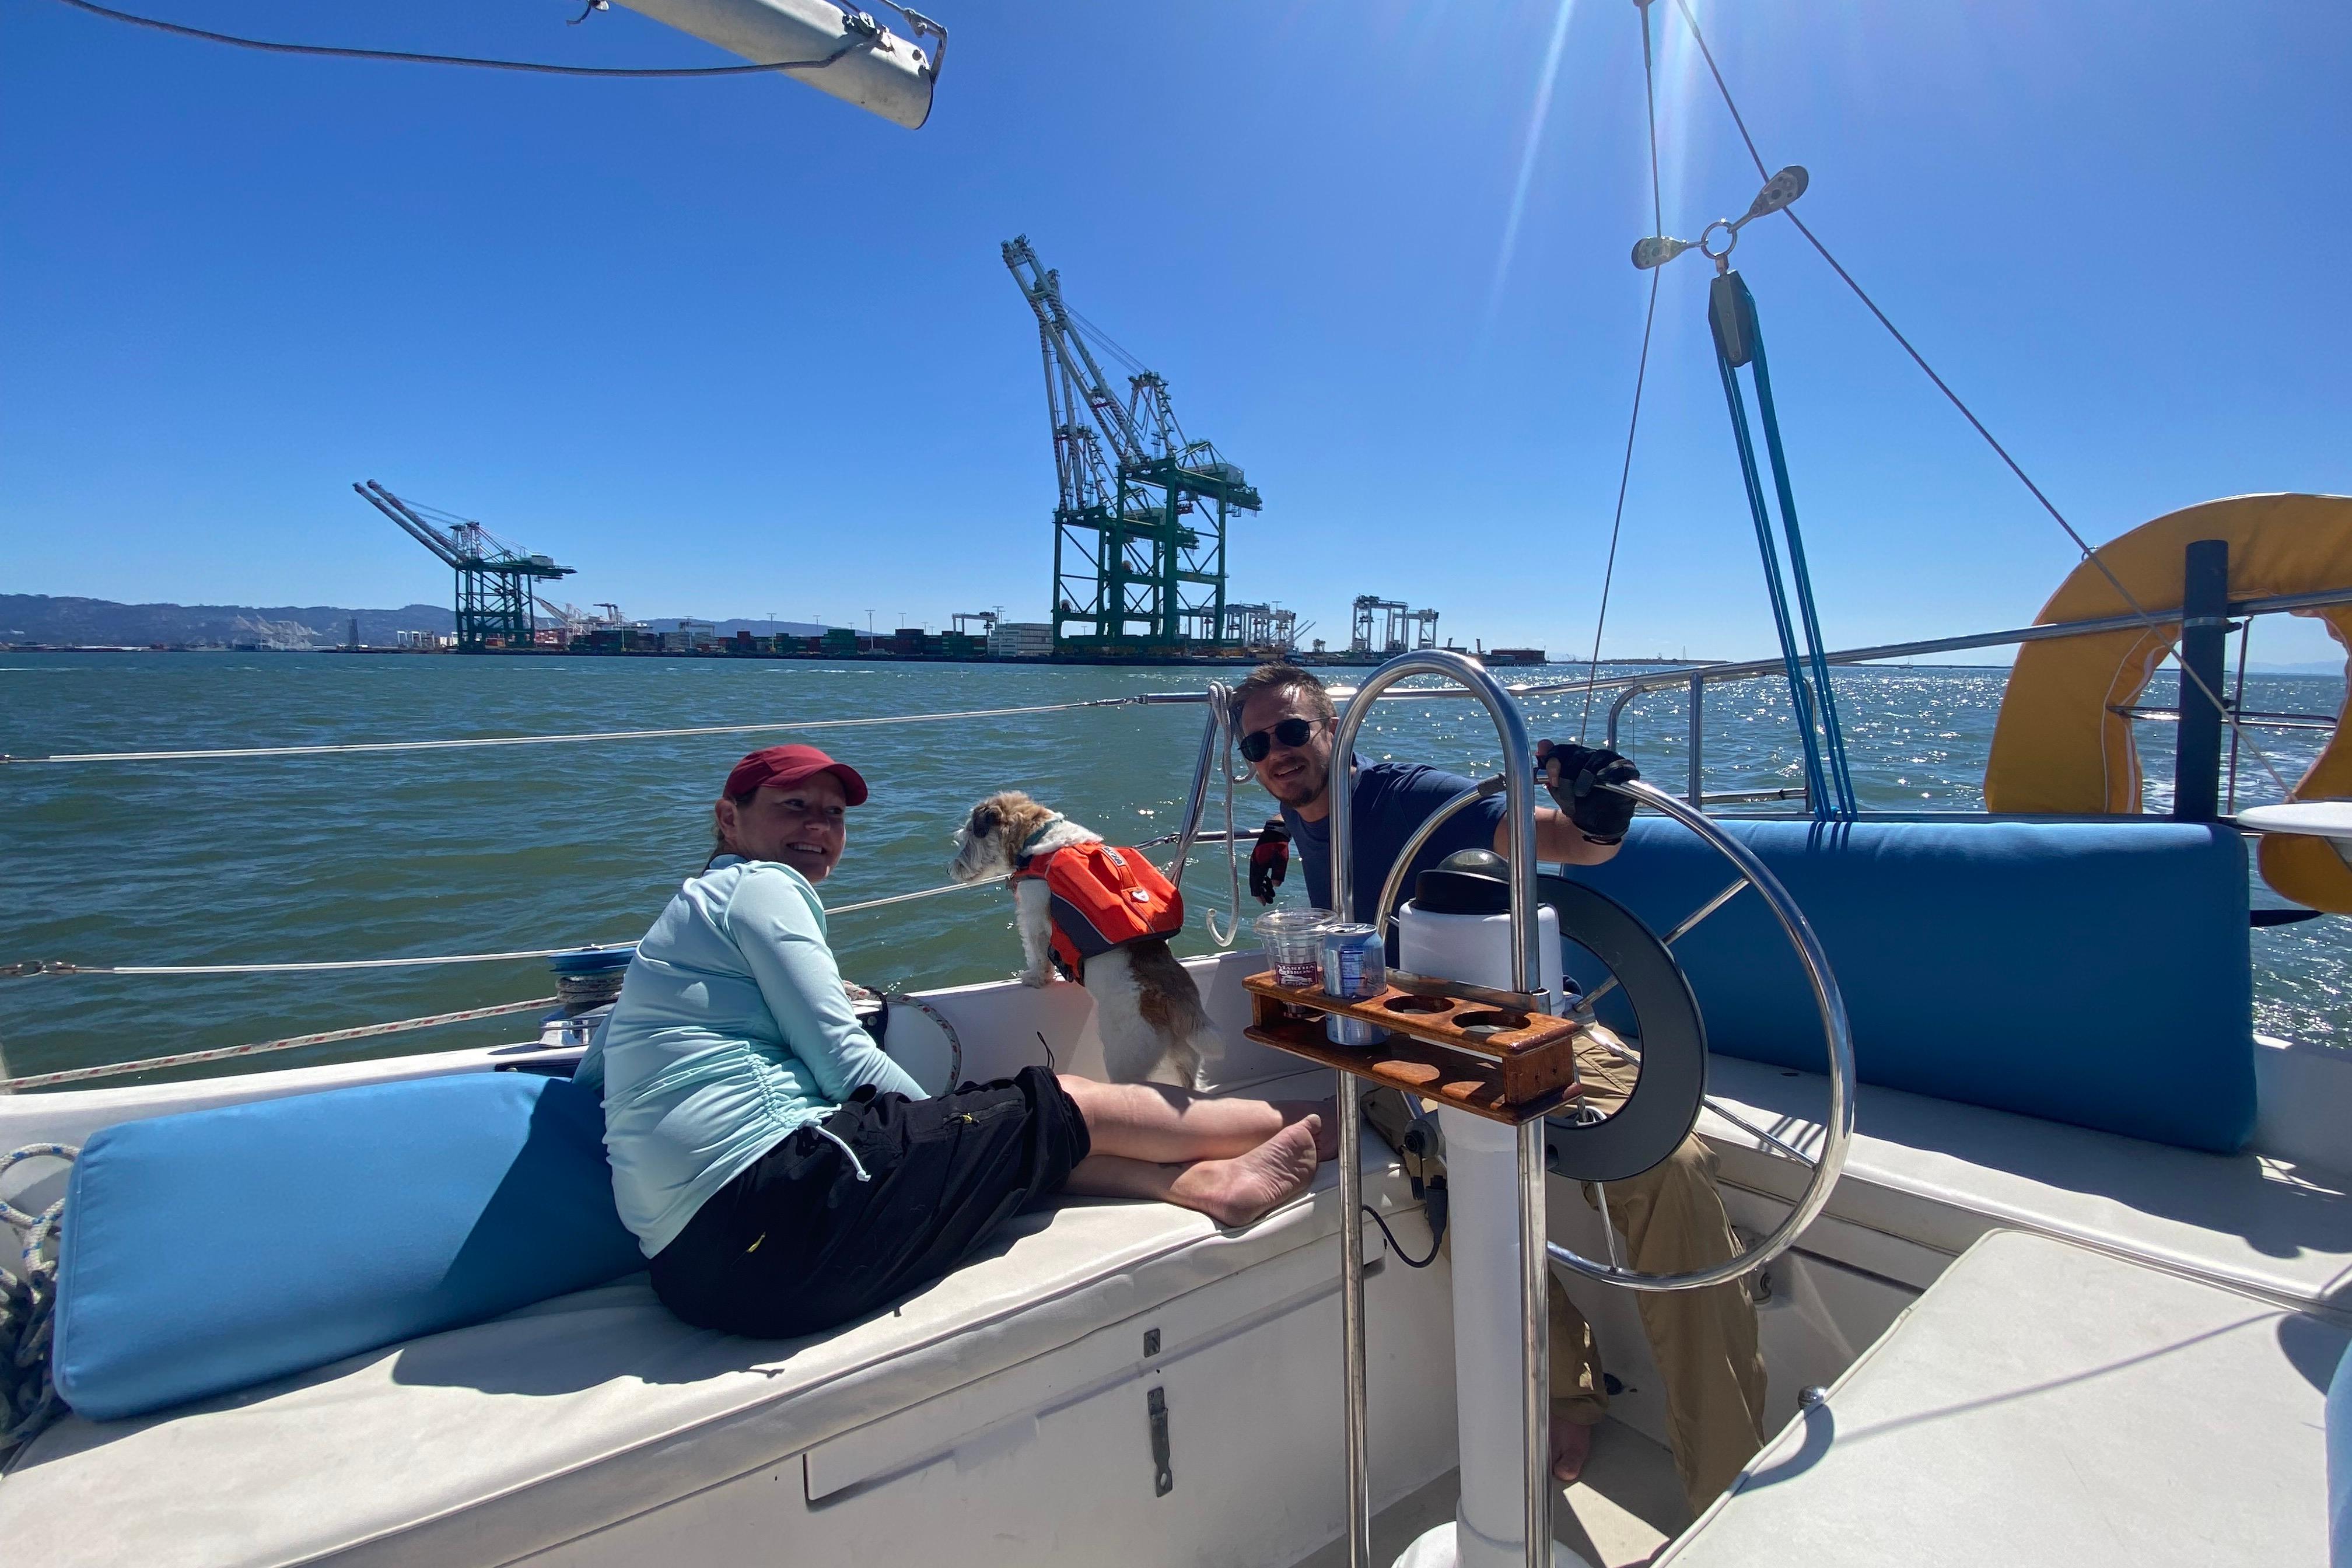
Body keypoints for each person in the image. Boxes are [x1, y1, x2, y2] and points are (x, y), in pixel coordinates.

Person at [1230, 662, 1766, 1516]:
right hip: (1403, 1045)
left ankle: (1732, 1487)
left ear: (1337, 728)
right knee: (1452, 1195)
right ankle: (1566, 1395)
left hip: (1519, 1021)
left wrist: (1598, 814)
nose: (1277, 753)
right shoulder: (1300, 824)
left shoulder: (1410, 797)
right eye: (1257, 744)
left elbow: (1559, 841)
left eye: (1293, 731)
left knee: (1670, 1168)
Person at [576, 742, 1331, 1341]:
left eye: (833, 815)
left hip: (695, 1270)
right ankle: (1333, 1120)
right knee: (1055, 1101)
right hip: (777, 1219)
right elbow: (845, 1065)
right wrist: (951, 1120)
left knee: (1013, 1137)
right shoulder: (765, 887)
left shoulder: (676, 926)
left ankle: (1198, 1184)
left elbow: (591, 1071)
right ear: (729, 821)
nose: (818, 828)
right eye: (794, 808)